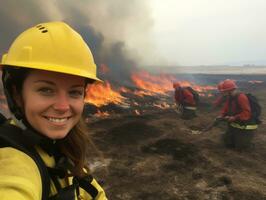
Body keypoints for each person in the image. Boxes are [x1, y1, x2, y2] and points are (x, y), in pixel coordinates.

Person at [0, 21, 107, 199]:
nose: (63, 106)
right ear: (16, 94)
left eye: (74, 92)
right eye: (46, 90)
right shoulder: (13, 164)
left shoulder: (61, 150)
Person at [216, 79, 258, 150]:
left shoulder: (241, 97)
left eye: (224, 92)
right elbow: (225, 108)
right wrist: (221, 115)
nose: (223, 94)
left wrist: (234, 117)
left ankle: (248, 144)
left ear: (229, 91)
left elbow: (246, 113)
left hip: (246, 125)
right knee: (227, 143)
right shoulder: (230, 97)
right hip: (236, 124)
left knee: (240, 148)